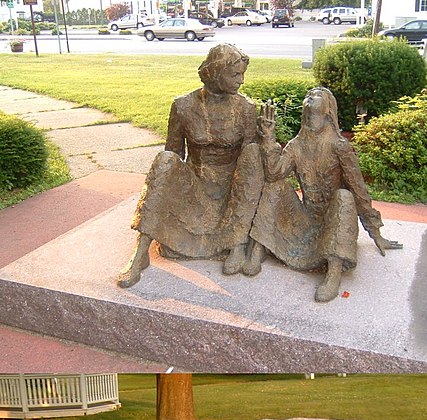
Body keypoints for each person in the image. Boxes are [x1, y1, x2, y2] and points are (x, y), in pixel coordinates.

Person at [118, 44, 264, 288]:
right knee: (165, 161)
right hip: (195, 188)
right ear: (216, 72)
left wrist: (266, 138)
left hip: (232, 191)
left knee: (251, 153)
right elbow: (174, 153)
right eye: (235, 74)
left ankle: (236, 242)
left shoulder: (246, 108)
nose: (241, 81)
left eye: (242, 74)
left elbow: (252, 168)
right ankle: (140, 251)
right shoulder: (183, 105)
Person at [245, 87, 402, 302]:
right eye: (307, 94)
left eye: (316, 94)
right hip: (305, 220)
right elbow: (274, 174)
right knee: (276, 187)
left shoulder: (339, 146)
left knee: (345, 196)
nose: (310, 96)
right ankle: (259, 247)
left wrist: (375, 231)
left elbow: (359, 190)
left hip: (332, 222)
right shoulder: (295, 145)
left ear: (329, 109)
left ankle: (334, 271)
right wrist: (268, 138)